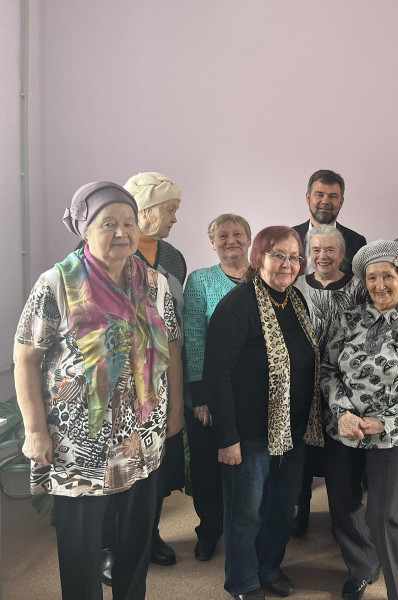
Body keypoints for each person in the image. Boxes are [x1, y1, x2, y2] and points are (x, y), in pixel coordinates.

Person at [13, 181, 182, 600]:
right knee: (81, 547)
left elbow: (172, 348)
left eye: (129, 223)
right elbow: (26, 359)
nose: (122, 232)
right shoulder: (56, 283)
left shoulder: (155, 284)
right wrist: (34, 430)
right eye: (109, 223)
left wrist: (175, 409)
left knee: (136, 538)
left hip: (141, 436)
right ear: (84, 229)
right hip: (77, 443)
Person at [203, 226, 323, 600]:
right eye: (278, 255)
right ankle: (243, 580)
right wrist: (227, 439)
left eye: (294, 257)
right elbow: (217, 376)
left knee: (281, 508)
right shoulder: (237, 306)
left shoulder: (295, 301)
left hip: (292, 432)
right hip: (249, 436)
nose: (287, 264)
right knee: (246, 513)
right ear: (259, 257)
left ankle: (269, 567)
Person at [321, 240, 398, 600]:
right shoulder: (346, 320)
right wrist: (343, 412)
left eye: (388, 276)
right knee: (343, 504)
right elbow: (328, 370)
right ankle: (362, 567)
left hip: (392, 436)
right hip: (344, 430)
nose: (379, 285)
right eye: (372, 277)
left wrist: (383, 422)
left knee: (383, 515)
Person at [123, 171, 187, 567]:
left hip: (162, 384)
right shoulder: (109, 253)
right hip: (119, 388)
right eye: (170, 209)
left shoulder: (173, 258)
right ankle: (113, 545)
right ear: (144, 209)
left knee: (158, 468)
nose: (175, 218)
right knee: (121, 467)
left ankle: (150, 532)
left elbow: (174, 324)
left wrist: (177, 402)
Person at [182, 213, 252, 561]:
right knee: (207, 469)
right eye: (222, 236)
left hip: (250, 394)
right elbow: (194, 339)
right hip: (210, 393)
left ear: (249, 240)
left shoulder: (263, 277)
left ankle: (245, 531)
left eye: (237, 234)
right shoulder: (200, 281)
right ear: (212, 243)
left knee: (248, 468)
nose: (230, 240)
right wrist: (201, 398)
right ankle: (209, 529)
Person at [290, 224, 367, 536]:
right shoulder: (295, 286)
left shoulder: (359, 287)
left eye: (330, 249)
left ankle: (344, 519)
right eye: (317, 249)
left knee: (343, 458)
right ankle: (298, 511)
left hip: (345, 386)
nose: (323, 256)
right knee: (301, 454)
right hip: (303, 385)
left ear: (342, 253)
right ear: (308, 254)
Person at [293, 169, 367, 275]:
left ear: (341, 202)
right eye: (319, 195)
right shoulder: (289, 238)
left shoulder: (357, 242)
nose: (325, 201)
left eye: (332, 196)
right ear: (308, 198)